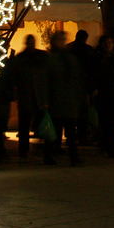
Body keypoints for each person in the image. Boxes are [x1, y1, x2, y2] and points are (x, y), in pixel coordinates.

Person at [45, 30, 82, 166]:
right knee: (56, 130)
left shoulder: (67, 58)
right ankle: (52, 155)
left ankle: (72, 156)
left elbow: (75, 78)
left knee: (70, 131)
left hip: (67, 100)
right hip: (57, 100)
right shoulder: (52, 59)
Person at [11, 34, 48, 159]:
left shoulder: (22, 58)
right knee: (27, 123)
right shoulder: (37, 57)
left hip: (31, 95)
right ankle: (27, 149)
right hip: (30, 95)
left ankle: (26, 149)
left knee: (28, 123)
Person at [68, 30, 96, 144]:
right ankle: (82, 135)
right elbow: (92, 70)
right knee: (83, 113)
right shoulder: (88, 50)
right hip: (83, 86)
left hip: (72, 86)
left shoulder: (69, 49)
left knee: (73, 114)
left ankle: (72, 136)